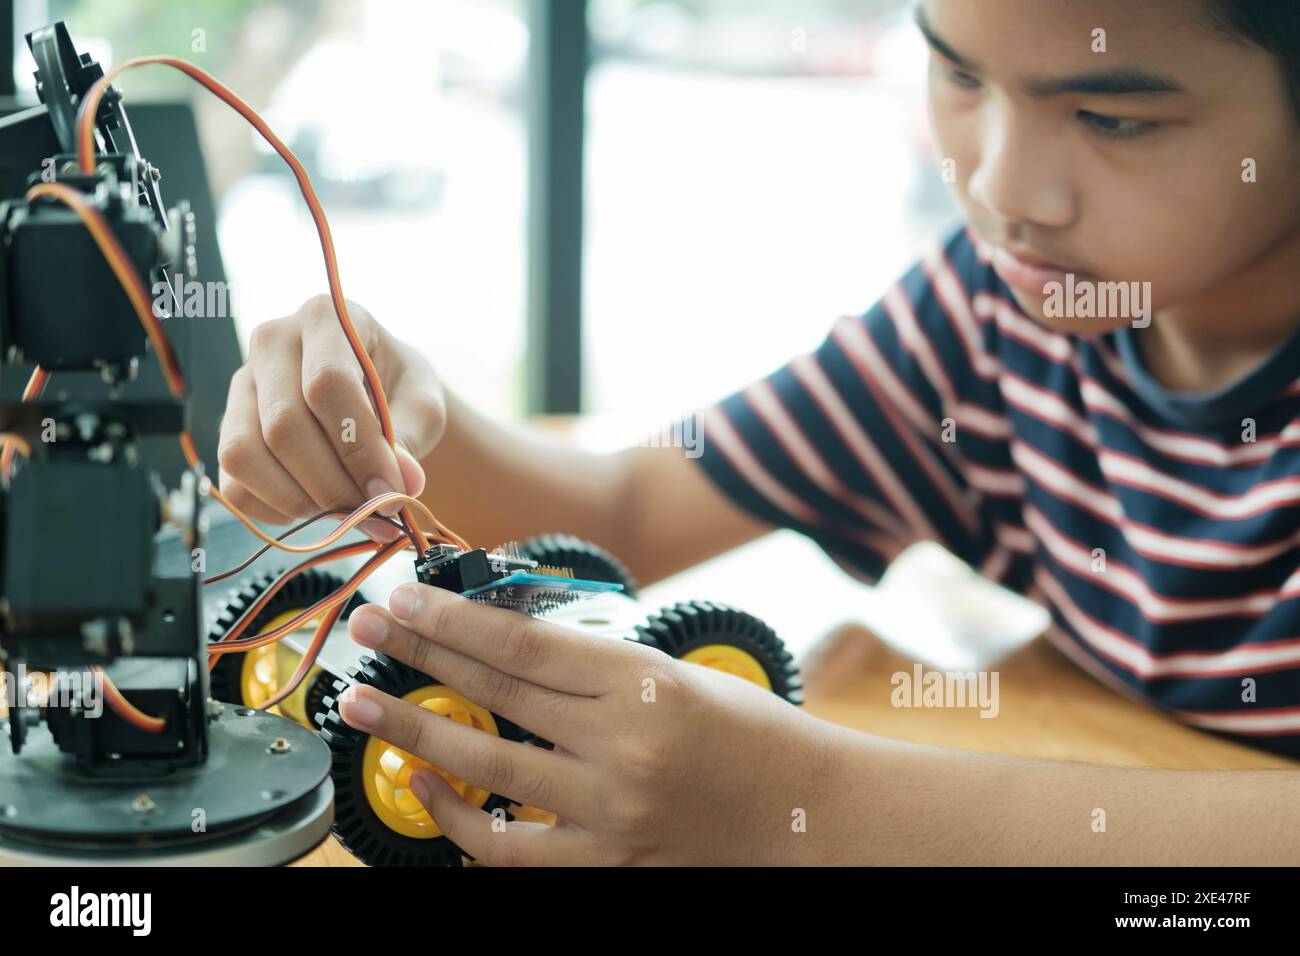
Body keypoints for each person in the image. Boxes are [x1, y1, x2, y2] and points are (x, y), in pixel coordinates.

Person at [217, 0, 1300, 864]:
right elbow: (622, 514)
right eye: (960, 75)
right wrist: (392, 415)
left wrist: (807, 804)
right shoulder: (992, 321)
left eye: (1113, 118)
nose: (1001, 185)